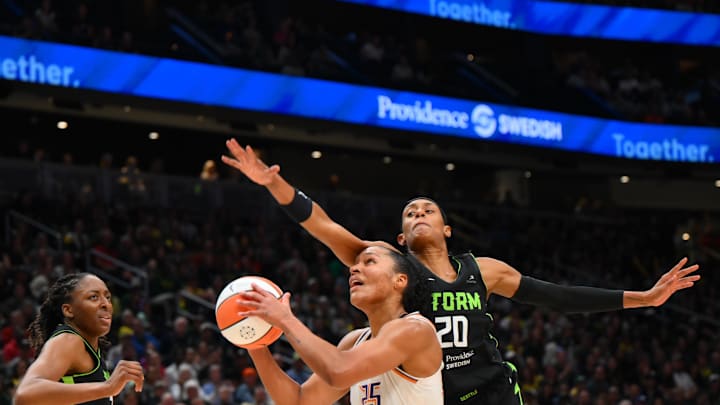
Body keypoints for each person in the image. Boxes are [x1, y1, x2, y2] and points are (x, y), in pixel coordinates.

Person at [221, 139, 701, 405]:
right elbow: (321, 224)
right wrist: (274, 183)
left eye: (428, 209)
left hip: (489, 387)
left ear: (447, 229)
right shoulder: (389, 265)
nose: (419, 214)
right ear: (401, 241)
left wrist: (640, 298)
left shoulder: (483, 270)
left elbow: (556, 295)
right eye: (409, 213)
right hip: (434, 390)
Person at [237, 245, 443, 405]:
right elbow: (298, 400)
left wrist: (285, 320)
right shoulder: (355, 341)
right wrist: (255, 342)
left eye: (369, 261)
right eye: (355, 264)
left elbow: (338, 370)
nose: (354, 268)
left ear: (399, 280)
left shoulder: (416, 330)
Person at [14, 272, 145, 405]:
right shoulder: (69, 340)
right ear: (68, 310)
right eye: (94, 297)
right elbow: (26, 394)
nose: (106, 304)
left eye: (107, 297)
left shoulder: (90, 348)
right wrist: (107, 387)